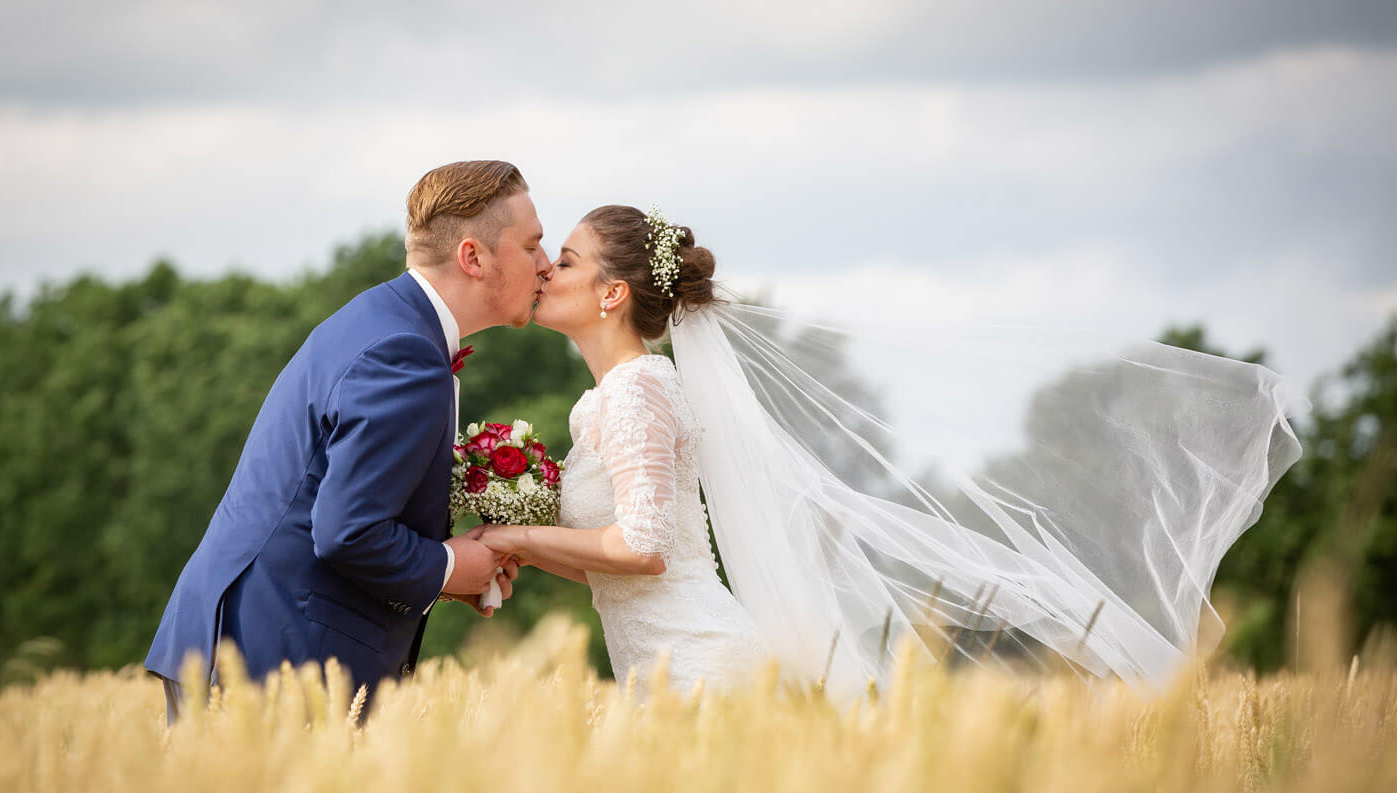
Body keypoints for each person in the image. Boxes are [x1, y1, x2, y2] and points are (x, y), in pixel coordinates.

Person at [475, 204, 1307, 700]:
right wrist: (521, 547)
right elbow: (620, 561)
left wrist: (512, 538)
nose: (545, 268)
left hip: (697, 668)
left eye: (567, 259)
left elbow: (647, 551)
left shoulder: (638, 392)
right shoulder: (608, 400)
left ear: (613, 293)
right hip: (658, 664)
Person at [144, 161, 543, 723]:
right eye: (532, 246)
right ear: (473, 257)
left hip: (248, 635)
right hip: (275, 655)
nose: (546, 266)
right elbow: (348, 529)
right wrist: (448, 568)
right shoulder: (402, 352)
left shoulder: (379, 320)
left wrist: (449, 568)